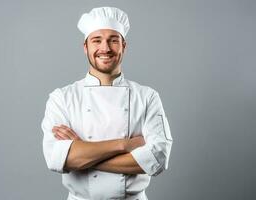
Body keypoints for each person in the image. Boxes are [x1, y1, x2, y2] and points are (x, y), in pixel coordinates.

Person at [41, 7, 173, 200]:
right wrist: (124, 145)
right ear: (85, 47)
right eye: (97, 40)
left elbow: (157, 159)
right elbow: (56, 158)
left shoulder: (147, 96)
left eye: (113, 40)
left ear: (124, 46)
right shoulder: (62, 98)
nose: (105, 48)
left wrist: (82, 153)